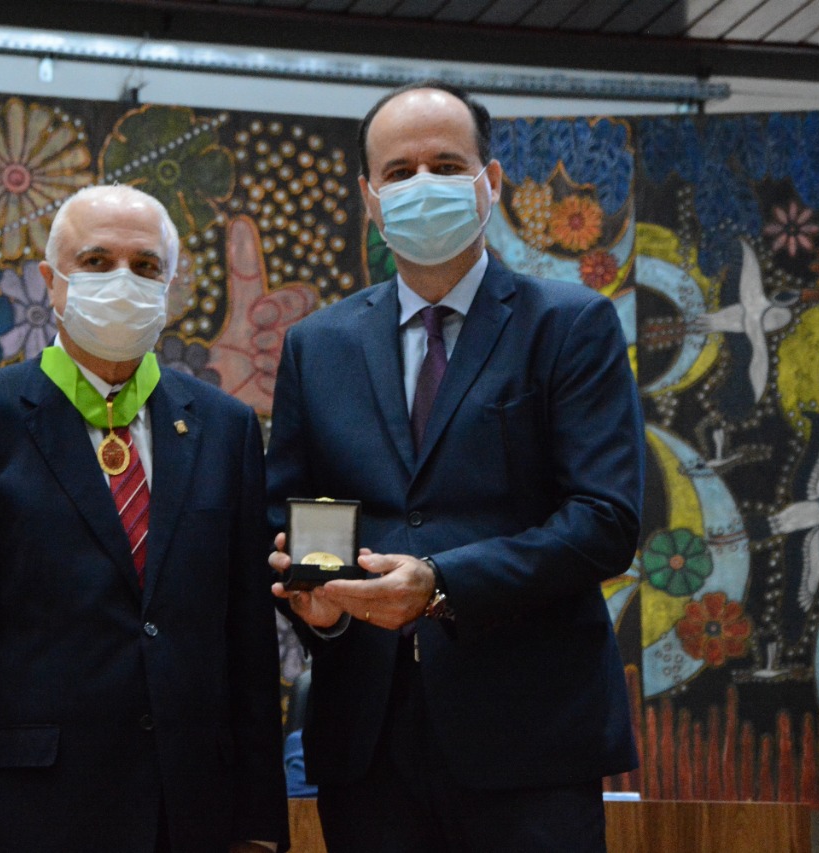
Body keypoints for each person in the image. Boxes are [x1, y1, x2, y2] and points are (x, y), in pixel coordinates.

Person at [266, 81, 644, 852]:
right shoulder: (318, 344)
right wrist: (320, 603)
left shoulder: (571, 324)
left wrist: (438, 583)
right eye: (399, 173)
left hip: (528, 738)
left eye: (446, 163)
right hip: (366, 743)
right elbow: (294, 515)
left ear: (490, 182)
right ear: (370, 199)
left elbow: (603, 521)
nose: (421, 185)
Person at [0, 185, 288, 853]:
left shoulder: (227, 428)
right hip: (30, 815)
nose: (122, 280)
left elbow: (246, 646)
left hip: (191, 815)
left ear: (171, 284)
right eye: (96, 261)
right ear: (51, 281)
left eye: (145, 265)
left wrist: (259, 826)